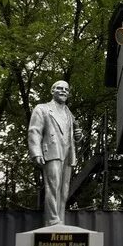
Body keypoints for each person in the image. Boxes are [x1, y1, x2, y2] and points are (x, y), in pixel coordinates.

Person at [28, 80, 83, 226]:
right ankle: (52, 220)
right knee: (53, 186)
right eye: (59, 88)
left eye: (66, 89)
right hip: (52, 151)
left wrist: (78, 136)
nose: (63, 91)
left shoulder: (68, 113)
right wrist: (36, 152)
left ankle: (60, 218)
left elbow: (73, 133)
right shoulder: (42, 109)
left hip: (68, 153)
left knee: (64, 191)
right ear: (53, 91)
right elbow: (34, 131)